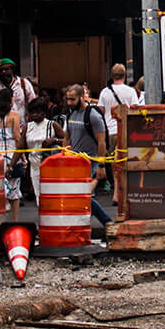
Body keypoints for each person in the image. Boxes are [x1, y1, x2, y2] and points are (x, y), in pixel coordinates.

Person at [63, 84, 110, 232]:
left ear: (82, 97)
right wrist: (64, 156)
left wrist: (101, 166)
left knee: (82, 195)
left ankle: (107, 222)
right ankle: (83, 223)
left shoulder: (93, 115)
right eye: (68, 99)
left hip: (91, 161)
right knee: (78, 195)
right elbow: (67, 137)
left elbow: (102, 142)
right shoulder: (70, 114)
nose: (69, 103)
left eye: (72, 99)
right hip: (74, 162)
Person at [0, 87, 24, 222]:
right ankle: (14, 221)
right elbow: (17, 137)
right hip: (11, 152)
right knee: (15, 187)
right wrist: (22, 156)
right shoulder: (14, 115)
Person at [98, 63, 139, 163]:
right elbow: (136, 110)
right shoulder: (130, 91)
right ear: (124, 75)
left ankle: (113, 178)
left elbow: (100, 111)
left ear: (111, 76)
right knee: (125, 161)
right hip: (126, 131)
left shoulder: (104, 92)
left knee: (112, 161)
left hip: (110, 131)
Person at [24, 95, 56, 202]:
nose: (34, 115)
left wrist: (54, 140)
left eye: (37, 112)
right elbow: (20, 147)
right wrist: (11, 165)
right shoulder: (28, 127)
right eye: (32, 112)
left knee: (50, 196)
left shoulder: (52, 125)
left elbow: (67, 140)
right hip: (34, 166)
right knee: (39, 197)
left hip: (49, 166)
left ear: (44, 112)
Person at [0, 58, 35, 124]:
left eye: (6, 69)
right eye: (1, 70)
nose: (3, 72)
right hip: (3, 127)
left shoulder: (24, 84)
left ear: (12, 70)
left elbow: (33, 103)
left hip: (22, 126)